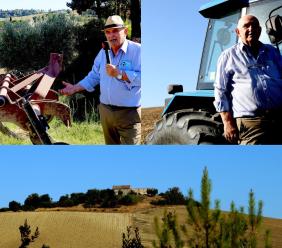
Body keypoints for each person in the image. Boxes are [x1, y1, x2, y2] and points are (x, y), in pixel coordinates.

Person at [59, 15, 141, 145]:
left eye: (115, 31)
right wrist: (74, 88)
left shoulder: (138, 51)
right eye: (108, 32)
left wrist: (120, 73)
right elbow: (94, 76)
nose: (111, 35)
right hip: (106, 112)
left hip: (129, 114)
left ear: (125, 31)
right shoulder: (103, 52)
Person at [214, 15, 282, 144]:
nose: (251, 29)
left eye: (255, 26)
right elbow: (220, 91)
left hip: (278, 119)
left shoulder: (272, 52)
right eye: (246, 26)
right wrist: (228, 122)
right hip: (252, 125)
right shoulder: (228, 56)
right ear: (238, 32)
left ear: (260, 30)